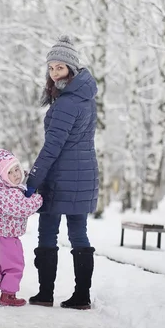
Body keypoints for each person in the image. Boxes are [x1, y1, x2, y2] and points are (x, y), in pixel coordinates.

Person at [24, 35, 99, 310]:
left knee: (47, 233)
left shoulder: (67, 102)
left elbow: (53, 146)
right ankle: (82, 296)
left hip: (60, 177)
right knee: (79, 233)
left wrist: (34, 179)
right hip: (84, 173)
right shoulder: (85, 98)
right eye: (51, 68)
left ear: (72, 68)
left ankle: (46, 293)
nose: (55, 73)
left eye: (60, 67)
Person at [0, 148, 43, 307]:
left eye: (17, 169)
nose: (16, 174)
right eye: (10, 172)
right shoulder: (10, 193)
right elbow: (23, 208)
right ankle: (8, 295)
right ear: (3, 177)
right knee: (14, 265)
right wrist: (38, 199)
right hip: (6, 237)